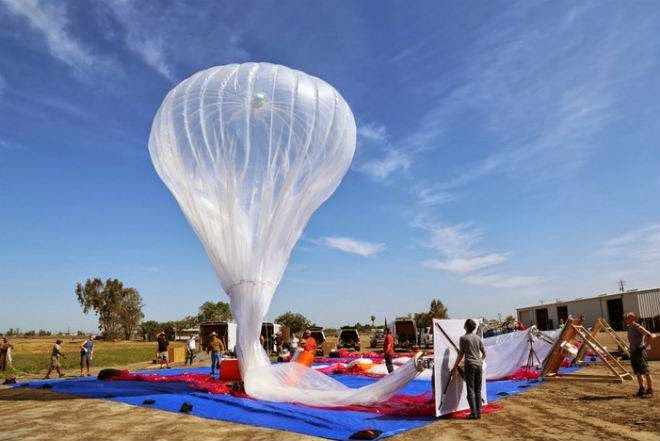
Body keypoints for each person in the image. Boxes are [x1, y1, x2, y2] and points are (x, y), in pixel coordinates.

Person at [451, 319, 486, 419]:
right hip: (479, 365)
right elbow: (484, 353)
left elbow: (461, 354)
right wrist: (479, 361)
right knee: (478, 389)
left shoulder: (463, 338)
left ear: (466, 326)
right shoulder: (478, 338)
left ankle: (473, 413)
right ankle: (478, 412)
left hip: (470, 365)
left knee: (470, 388)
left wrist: (455, 367)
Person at [625, 312, 656, 397]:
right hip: (633, 352)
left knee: (646, 371)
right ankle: (641, 389)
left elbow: (650, 336)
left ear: (633, 318)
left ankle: (650, 391)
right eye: (626, 318)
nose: (627, 319)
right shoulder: (629, 327)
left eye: (628, 317)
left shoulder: (638, 327)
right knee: (638, 372)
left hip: (640, 352)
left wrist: (644, 347)